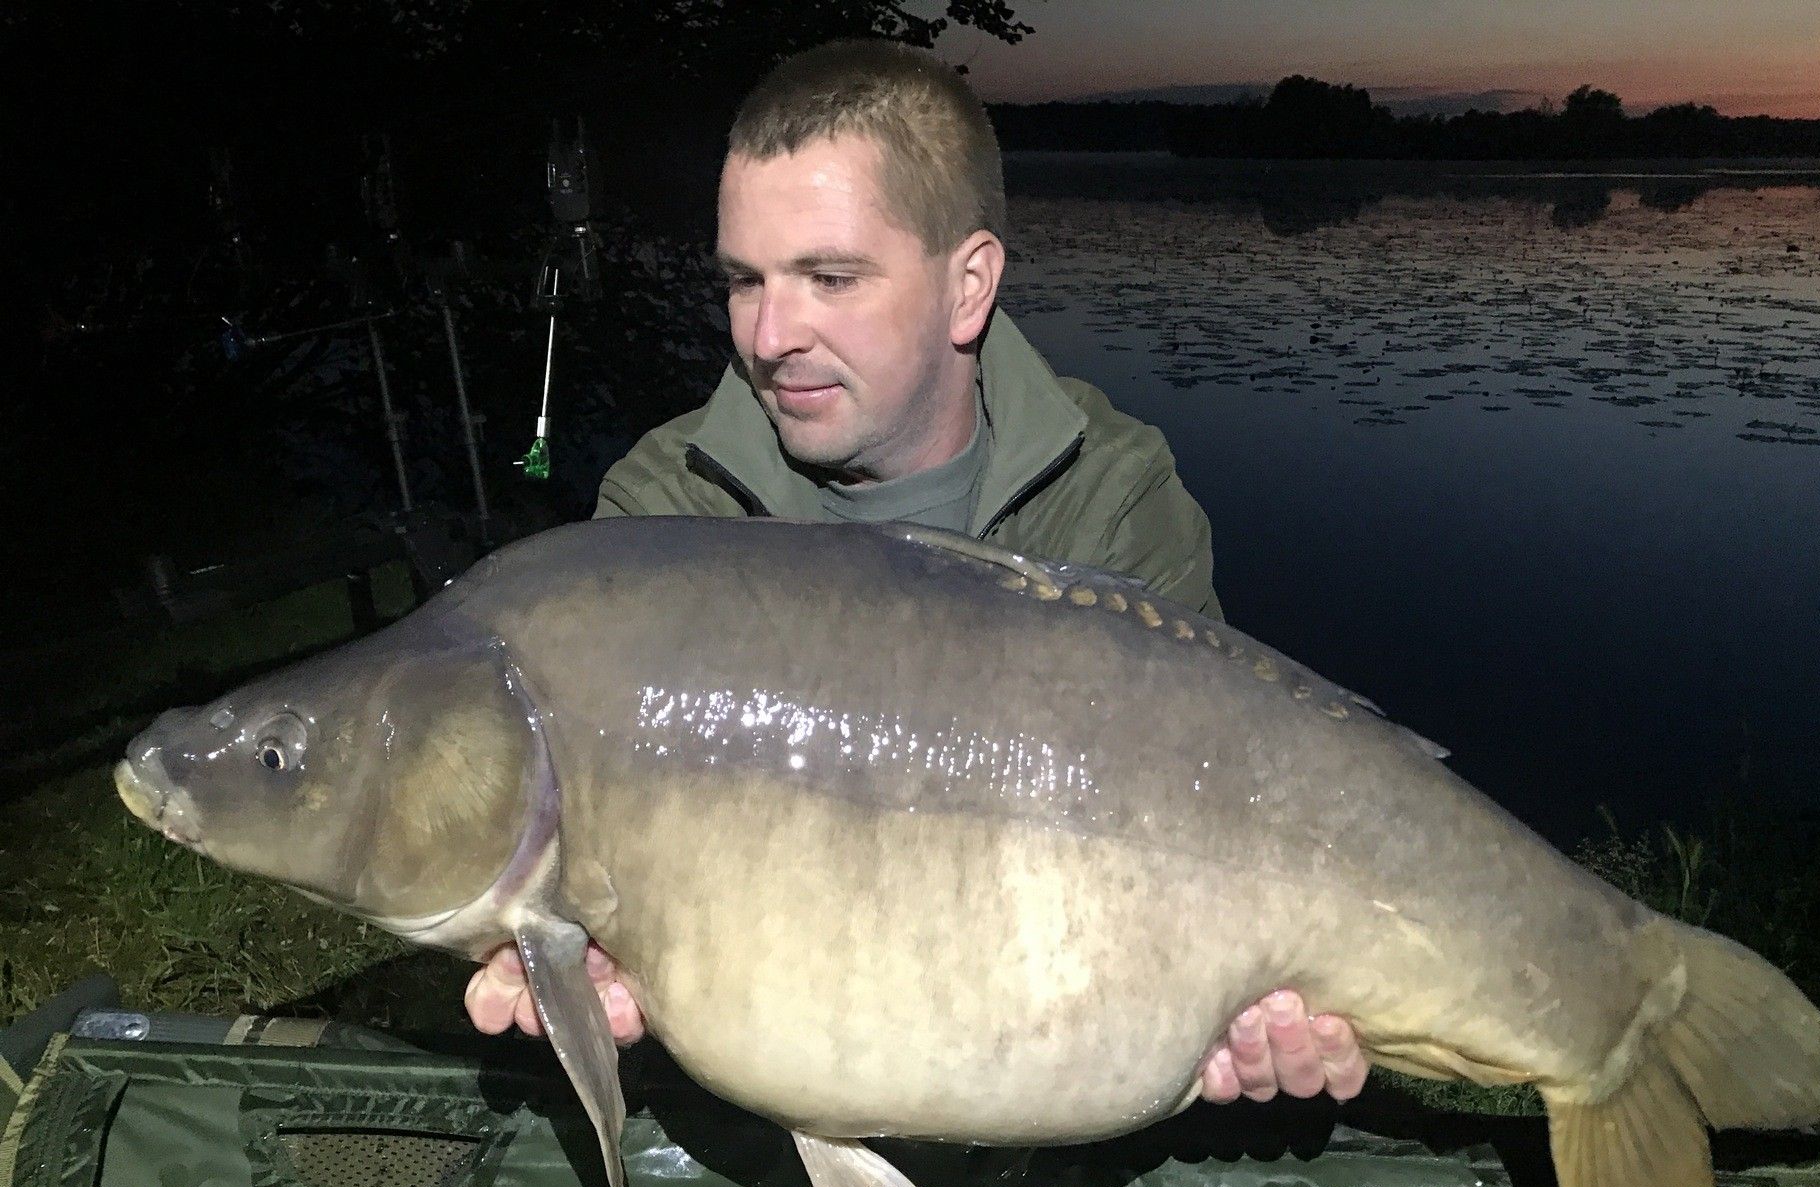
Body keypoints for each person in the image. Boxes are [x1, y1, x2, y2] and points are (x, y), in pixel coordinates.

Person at [466, 39, 1367, 1109]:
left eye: (830, 278)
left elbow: (1222, 809)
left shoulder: (1111, 499)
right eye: (745, 280)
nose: (769, 333)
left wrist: (1261, 1008)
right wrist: (586, 952)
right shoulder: (668, 515)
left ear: (967, 285)